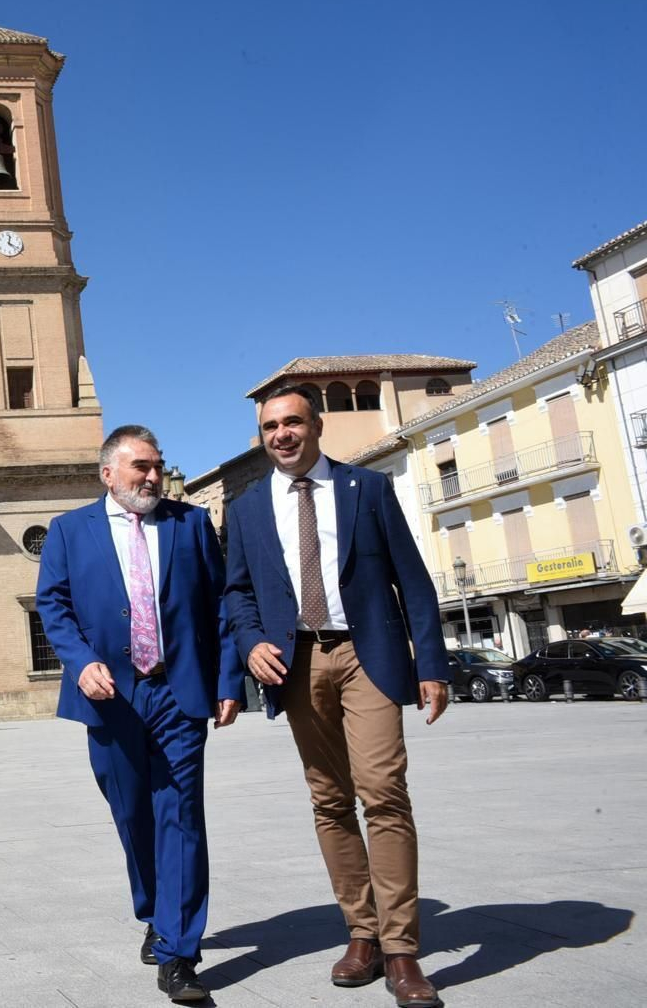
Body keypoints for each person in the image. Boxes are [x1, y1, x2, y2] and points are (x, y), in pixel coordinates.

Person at [223, 384, 449, 1008]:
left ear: (315, 427)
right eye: (271, 427)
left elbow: (413, 579)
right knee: (328, 799)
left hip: (366, 653)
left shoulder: (366, 490)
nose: (282, 435)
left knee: (383, 791)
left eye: (292, 422)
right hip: (295, 663)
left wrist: (430, 663)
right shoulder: (245, 509)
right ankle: (362, 933)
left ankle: (402, 952)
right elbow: (235, 592)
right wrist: (248, 643)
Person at [36, 425, 243, 1004]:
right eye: (140, 467)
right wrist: (79, 662)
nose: (153, 476)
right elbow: (52, 605)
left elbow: (219, 605)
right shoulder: (68, 531)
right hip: (110, 697)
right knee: (132, 813)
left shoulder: (190, 523)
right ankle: (156, 911)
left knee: (181, 816)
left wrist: (229, 680)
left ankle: (180, 951)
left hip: (178, 693)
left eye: (157, 466)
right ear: (108, 473)